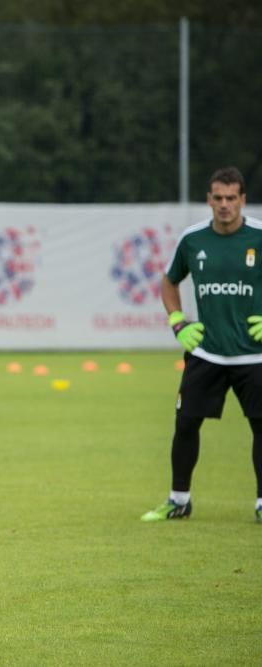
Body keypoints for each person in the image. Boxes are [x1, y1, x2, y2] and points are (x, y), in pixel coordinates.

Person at [142, 166, 262, 524]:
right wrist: (177, 321)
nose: (224, 205)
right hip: (206, 352)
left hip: (254, 355)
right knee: (186, 424)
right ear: (209, 200)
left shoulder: (259, 236)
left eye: (231, 198)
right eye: (218, 198)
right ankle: (179, 500)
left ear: (242, 199)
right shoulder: (193, 239)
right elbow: (168, 281)